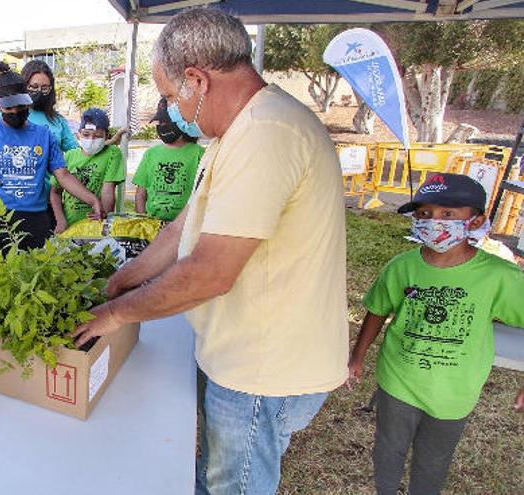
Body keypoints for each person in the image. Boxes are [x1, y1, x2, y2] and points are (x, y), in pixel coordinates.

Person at [72, 9, 348, 494]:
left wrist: (115, 314)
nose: (171, 109)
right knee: (216, 473)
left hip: (263, 368)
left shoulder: (267, 135)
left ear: (197, 79)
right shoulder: (237, 132)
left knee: (233, 486)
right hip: (245, 353)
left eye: (169, 95)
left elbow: (210, 273)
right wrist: (121, 280)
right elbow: (182, 230)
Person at [348, 174, 524, 495]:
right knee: (388, 450)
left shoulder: (500, 277)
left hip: (455, 391)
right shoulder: (401, 267)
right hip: (397, 381)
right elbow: (377, 308)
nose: (433, 222)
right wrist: (356, 357)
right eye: (425, 214)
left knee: (433, 461)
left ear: (475, 221)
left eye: (448, 215)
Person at [0, 62, 103, 250]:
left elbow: (62, 175)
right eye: (9, 107)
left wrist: (92, 200)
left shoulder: (44, 135)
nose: (15, 111)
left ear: (27, 100)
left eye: (20, 105)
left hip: (37, 218)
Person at [50, 108, 125, 233]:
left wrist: (104, 215)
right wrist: (61, 221)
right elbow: (55, 191)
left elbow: (108, 189)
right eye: (86, 135)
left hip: (96, 225)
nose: (91, 139)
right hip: (70, 225)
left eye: (98, 136)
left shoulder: (112, 153)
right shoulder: (69, 156)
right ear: (78, 134)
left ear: (107, 136)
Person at [132, 97, 205, 222]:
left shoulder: (199, 153)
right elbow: (141, 193)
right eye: (160, 123)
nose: (162, 126)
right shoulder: (151, 153)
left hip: (184, 225)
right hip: (153, 223)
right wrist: (143, 219)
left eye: (167, 122)